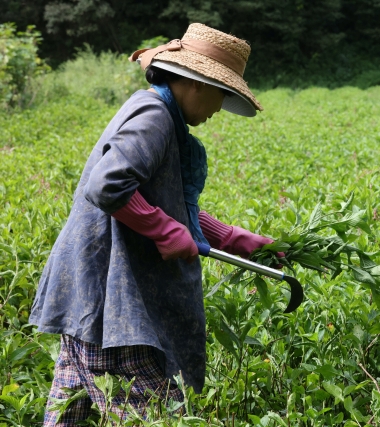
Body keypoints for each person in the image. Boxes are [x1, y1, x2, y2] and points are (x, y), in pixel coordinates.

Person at [30, 23, 277, 425]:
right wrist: (165, 230)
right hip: (107, 299)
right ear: (197, 83)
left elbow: (162, 202)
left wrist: (233, 238)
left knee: (67, 412)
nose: (219, 108)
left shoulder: (162, 115)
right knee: (155, 415)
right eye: (221, 94)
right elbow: (108, 186)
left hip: (89, 294)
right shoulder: (154, 115)